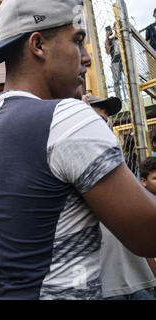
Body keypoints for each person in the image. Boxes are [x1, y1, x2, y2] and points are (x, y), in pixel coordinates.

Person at [0, 0, 156, 300]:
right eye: (77, 40)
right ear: (38, 45)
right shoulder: (66, 118)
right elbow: (149, 235)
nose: (86, 58)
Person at [84, 95, 156, 300]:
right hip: (103, 286)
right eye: (96, 120)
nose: (103, 127)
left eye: (104, 122)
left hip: (138, 280)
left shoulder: (115, 163)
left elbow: (138, 225)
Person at [105, 22, 123, 100]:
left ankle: (132, 95)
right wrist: (107, 37)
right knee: (116, 81)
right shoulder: (110, 40)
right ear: (113, 28)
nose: (117, 27)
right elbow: (108, 51)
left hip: (125, 60)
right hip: (115, 61)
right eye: (116, 26)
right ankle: (119, 98)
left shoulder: (124, 37)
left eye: (119, 26)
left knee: (129, 79)